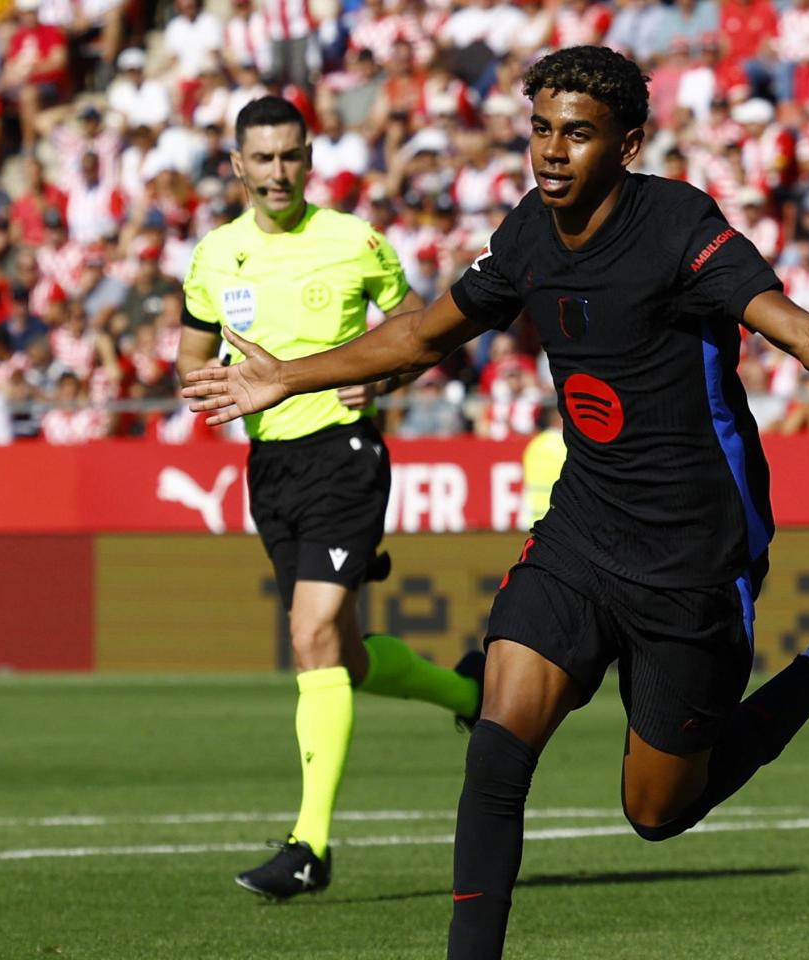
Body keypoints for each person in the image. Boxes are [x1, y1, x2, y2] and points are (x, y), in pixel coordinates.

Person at [182, 47, 809, 957]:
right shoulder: (529, 232)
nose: (553, 152)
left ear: (628, 143)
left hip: (693, 553)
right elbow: (421, 332)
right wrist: (284, 378)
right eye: (541, 131)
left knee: (655, 811)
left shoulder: (680, 225)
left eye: (578, 133)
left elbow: (799, 330)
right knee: (496, 744)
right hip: (581, 529)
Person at [176, 95, 485, 901]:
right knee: (339, 655)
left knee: (309, 634)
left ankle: (308, 846)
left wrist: (384, 376)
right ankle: (469, 692)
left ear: (309, 160)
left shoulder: (354, 242)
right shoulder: (214, 255)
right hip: (269, 469)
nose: (278, 171)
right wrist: (207, 384)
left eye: (291, 156)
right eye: (263, 158)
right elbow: (189, 360)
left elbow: (422, 326)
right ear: (236, 165)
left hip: (345, 456)